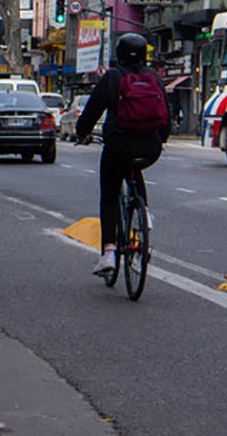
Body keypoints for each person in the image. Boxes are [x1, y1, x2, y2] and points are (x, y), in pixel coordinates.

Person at [76, 33, 170, 277]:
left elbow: (92, 111)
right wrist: (161, 139)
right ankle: (144, 213)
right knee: (135, 169)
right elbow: (166, 116)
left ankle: (109, 252)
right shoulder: (154, 77)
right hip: (150, 147)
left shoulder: (112, 77)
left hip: (118, 144)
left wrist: (82, 133)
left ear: (119, 54)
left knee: (109, 195)